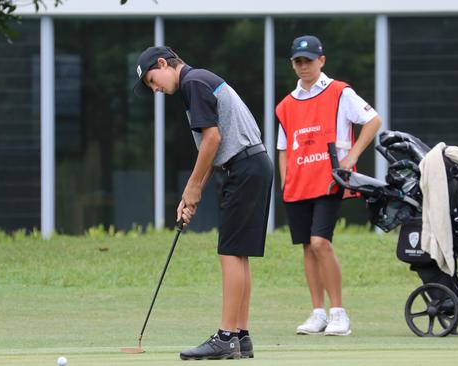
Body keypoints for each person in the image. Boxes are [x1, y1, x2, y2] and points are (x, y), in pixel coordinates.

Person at [133, 46, 273, 360]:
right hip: (253, 164)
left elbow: (213, 141)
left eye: (153, 82)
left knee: (230, 252)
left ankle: (225, 337)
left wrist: (193, 189)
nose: (155, 90)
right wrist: (190, 195)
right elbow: (210, 149)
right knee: (238, 254)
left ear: (162, 64)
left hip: (245, 167)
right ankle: (239, 336)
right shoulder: (198, 82)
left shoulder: (192, 83)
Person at [275, 35, 381, 336]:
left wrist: (352, 157)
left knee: (321, 242)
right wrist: (285, 181)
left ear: (321, 60)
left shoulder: (340, 92)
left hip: (328, 179)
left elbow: (372, 121)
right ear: (292, 64)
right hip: (298, 183)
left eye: (309, 60)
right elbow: (283, 148)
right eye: (298, 61)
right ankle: (318, 313)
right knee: (308, 247)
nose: (304, 66)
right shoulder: (285, 105)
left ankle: (338, 313)